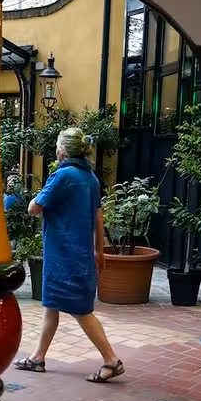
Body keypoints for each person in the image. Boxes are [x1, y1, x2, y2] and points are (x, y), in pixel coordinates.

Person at [14, 128, 124, 383]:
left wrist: (35, 199)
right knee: (51, 305)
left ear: (62, 150)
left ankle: (111, 360)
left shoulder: (62, 176)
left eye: (56, 145)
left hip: (63, 254)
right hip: (80, 253)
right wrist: (99, 249)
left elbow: (34, 208)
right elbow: (99, 215)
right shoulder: (90, 178)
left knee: (81, 310)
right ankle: (37, 358)